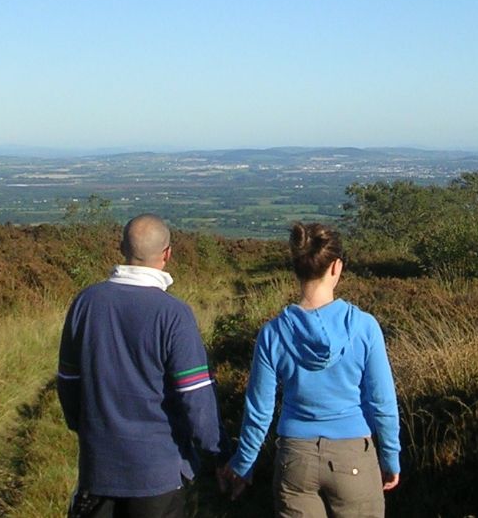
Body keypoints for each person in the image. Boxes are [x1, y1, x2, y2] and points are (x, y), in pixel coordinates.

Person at [220, 222, 401, 517]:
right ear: (336, 267)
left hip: (295, 460)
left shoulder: (273, 333)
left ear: (296, 267)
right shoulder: (364, 327)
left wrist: (244, 463)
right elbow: (383, 404)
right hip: (354, 456)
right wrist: (391, 458)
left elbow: (259, 411)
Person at [57, 213, 223, 518]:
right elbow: (195, 396)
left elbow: (68, 378)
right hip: (159, 473)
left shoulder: (86, 302)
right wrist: (215, 450)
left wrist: (82, 425)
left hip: (98, 468)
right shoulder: (173, 314)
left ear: (121, 247)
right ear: (167, 254)